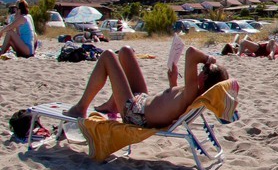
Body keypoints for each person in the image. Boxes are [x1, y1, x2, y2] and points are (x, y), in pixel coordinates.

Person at [65, 45, 229, 128]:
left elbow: (191, 52)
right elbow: (173, 104)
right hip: (142, 102)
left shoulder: (194, 90)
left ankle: (81, 107)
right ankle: (113, 104)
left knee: (108, 55)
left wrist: (209, 59)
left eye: (203, 69)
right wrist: (172, 82)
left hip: (135, 113)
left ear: (204, 77)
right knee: (126, 51)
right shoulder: (192, 93)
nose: (200, 69)